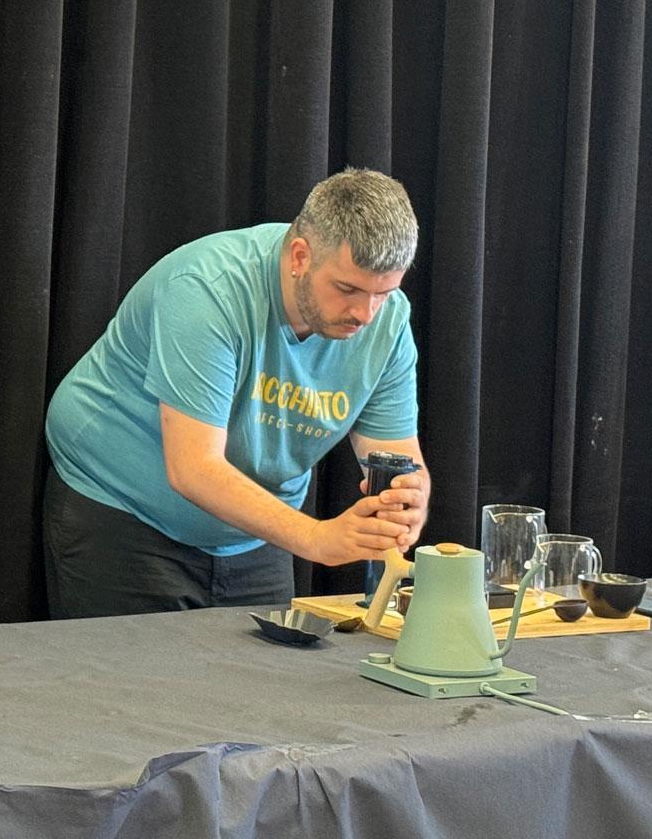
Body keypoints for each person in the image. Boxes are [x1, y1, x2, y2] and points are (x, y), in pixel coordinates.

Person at [43, 168, 430, 618]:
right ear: (300, 256)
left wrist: (409, 499)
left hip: (255, 534)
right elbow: (193, 469)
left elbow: (396, 454)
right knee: (134, 687)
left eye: (383, 293)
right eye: (347, 289)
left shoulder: (388, 320)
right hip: (125, 510)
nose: (365, 313)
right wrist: (316, 539)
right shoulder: (209, 290)